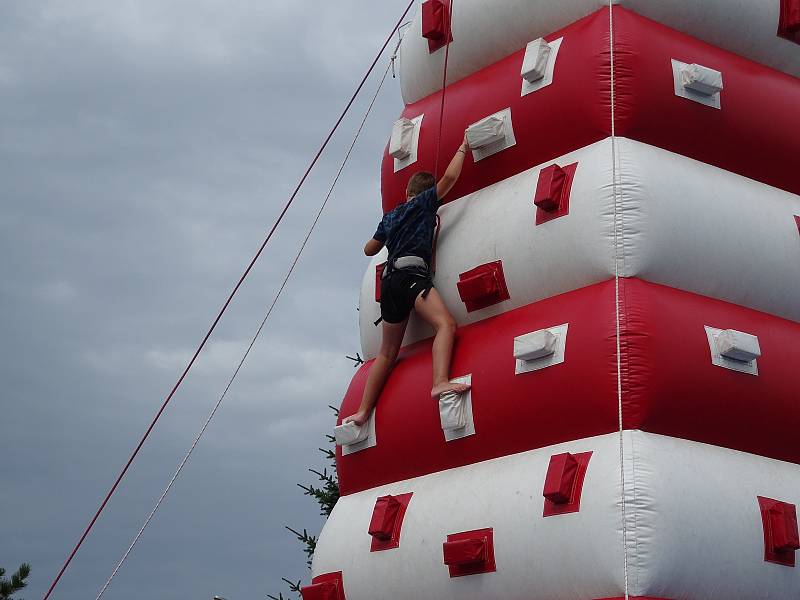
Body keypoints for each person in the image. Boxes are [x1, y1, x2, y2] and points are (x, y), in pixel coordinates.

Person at [345, 134, 472, 426]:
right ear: (426, 194)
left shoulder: (391, 216)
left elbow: (369, 249)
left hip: (390, 281)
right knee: (445, 324)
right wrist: (463, 146)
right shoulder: (424, 206)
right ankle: (439, 381)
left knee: (387, 353)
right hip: (411, 276)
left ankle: (364, 410)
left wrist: (388, 232)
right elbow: (450, 178)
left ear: (407, 192)